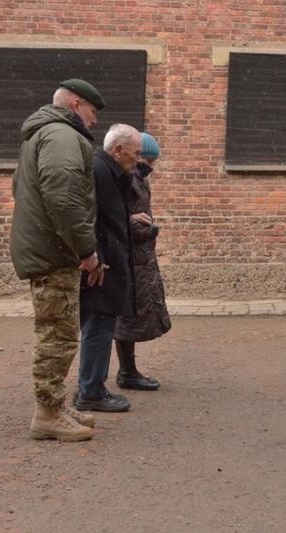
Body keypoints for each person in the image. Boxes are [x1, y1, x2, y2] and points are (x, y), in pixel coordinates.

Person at [10, 79, 107, 441]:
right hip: (54, 253)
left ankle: (55, 404)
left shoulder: (42, 135)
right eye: (92, 112)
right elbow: (64, 198)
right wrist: (86, 249)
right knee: (58, 334)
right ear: (76, 104)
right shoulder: (62, 137)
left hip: (47, 248)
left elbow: (20, 185)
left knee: (59, 331)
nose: (94, 122)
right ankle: (47, 414)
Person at [73, 124, 141, 413]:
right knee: (99, 325)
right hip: (103, 264)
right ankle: (91, 391)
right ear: (118, 150)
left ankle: (91, 387)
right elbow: (86, 215)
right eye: (135, 153)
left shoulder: (108, 170)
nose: (138, 159)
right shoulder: (99, 171)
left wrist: (129, 218)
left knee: (100, 324)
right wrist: (94, 255)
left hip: (106, 259)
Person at [113, 132, 171, 390]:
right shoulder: (128, 180)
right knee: (127, 316)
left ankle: (128, 371)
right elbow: (119, 220)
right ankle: (126, 373)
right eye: (147, 159)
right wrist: (148, 230)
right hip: (132, 260)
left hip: (139, 259)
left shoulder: (138, 179)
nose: (151, 166)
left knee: (130, 315)